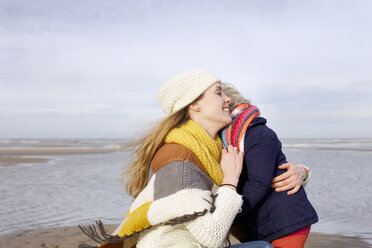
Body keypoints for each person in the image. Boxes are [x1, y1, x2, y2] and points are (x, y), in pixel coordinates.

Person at [79, 69, 273, 248]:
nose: (228, 99)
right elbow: (211, 235)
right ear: (195, 104)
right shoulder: (179, 157)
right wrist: (230, 181)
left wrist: (299, 172)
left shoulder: (208, 149)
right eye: (218, 92)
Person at [221, 83, 318, 248]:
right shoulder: (231, 136)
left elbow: (259, 182)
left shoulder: (257, 133)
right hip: (266, 218)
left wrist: (230, 215)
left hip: (286, 219)